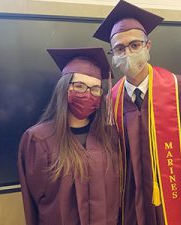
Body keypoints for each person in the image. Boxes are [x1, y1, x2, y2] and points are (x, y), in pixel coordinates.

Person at [93, 1, 181, 225]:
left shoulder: (180, 88)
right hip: (131, 205)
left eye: (135, 45)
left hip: (176, 200)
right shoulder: (111, 101)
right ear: (113, 54)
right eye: (119, 48)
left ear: (148, 46)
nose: (127, 53)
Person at [18, 47, 120, 225]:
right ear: (64, 88)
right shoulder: (38, 140)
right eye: (79, 86)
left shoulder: (108, 137)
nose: (88, 94)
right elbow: (33, 202)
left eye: (95, 89)